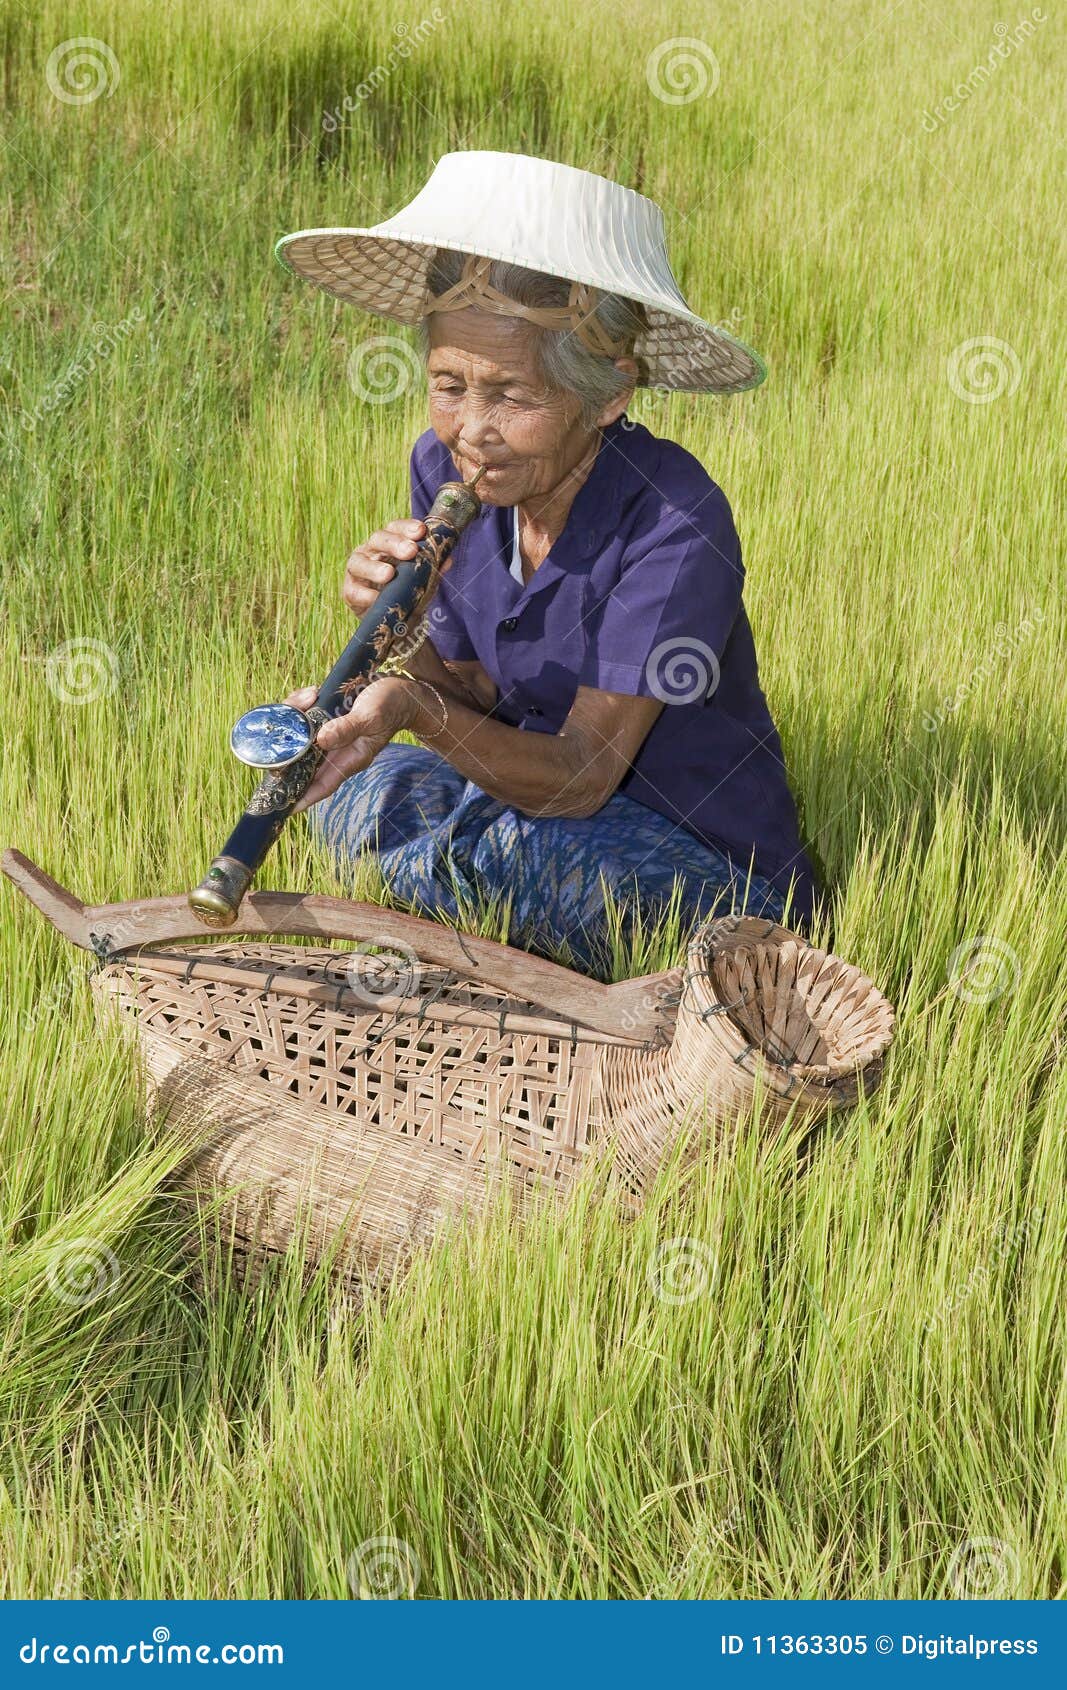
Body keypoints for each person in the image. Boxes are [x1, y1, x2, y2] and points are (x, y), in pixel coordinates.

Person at [275, 150, 822, 973]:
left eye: (512, 396)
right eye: (448, 384)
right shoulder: (446, 469)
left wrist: (413, 711)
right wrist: (397, 633)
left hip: (692, 857)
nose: (470, 429)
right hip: (523, 801)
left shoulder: (675, 519)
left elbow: (581, 778)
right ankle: (494, 926)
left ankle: (510, 933)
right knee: (338, 788)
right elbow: (477, 700)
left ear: (608, 394)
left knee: (525, 861)